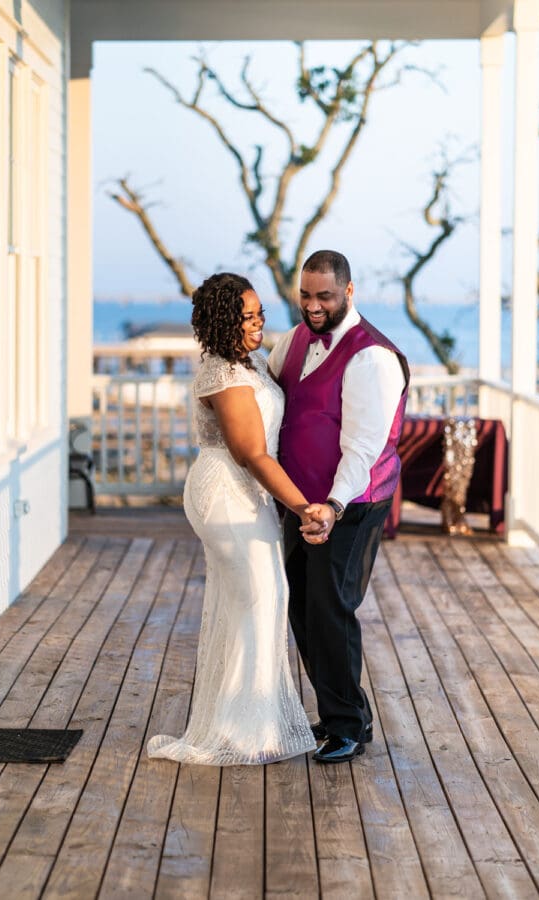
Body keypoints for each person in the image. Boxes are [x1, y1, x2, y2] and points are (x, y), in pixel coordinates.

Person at [147, 273, 330, 766]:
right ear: (224, 321)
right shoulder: (225, 377)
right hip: (227, 493)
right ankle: (242, 732)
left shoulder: (241, 364)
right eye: (246, 317)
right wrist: (303, 506)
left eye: (259, 314)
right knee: (259, 599)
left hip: (246, 495)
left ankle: (248, 723)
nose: (257, 324)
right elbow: (251, 453)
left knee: (260, 600)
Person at [269, 250, 410, 764]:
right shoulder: (293, 339)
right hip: (301, 502)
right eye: (305, 295)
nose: (312, 306)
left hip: (351, 503)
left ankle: (349, 724)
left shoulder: (371, 357)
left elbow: (362, 447)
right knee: (302, 608)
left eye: (324, 296)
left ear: (349, 292)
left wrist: (331, 504)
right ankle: (337, 713)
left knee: (332, 608)